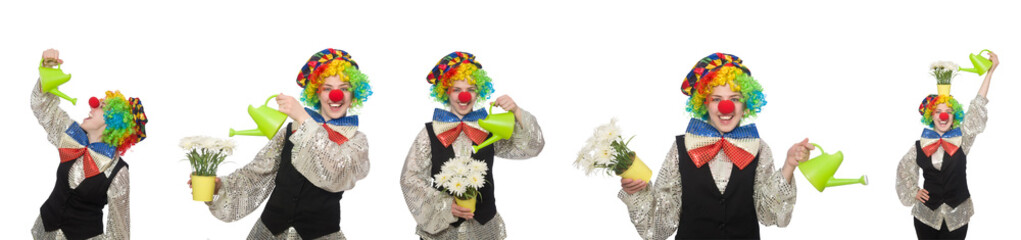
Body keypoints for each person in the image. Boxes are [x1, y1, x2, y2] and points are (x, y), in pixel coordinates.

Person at [619, 53, 812, 239]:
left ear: (746, 105)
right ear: (704, 103)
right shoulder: (681, 148)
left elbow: (769, 215)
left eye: (734, 99)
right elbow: (659, 227)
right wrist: (637, 192)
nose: (725, 107)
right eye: (716, 99)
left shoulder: (758, 148)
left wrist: (789, 165)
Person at [192, 48, 372, 239]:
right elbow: (257, 172)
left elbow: (337, 174)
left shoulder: (356, 141)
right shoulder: (291, 130)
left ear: (353, 97)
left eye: (344, 88)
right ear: (316, 94)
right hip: (269, 231)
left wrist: (304, 119)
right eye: (327, 88)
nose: (335, 95)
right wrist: (219, 188)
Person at [400, 51, 545, 240]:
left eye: (471, 89)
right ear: (445, 92)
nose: (464, 96)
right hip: (442, 233)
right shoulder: (430, 133)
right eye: (457, 90)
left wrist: (516, 111)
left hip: (483, 228)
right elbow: (410, 178)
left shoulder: (488, 127)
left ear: (478, 92)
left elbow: (531, 148)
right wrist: (445, 206)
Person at [31, 49, 147, 240]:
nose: (92, 105)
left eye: (101, 107)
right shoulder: (72, 135)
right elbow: (42, 106)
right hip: (46, 231)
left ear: (113, 123)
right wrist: (49, 69)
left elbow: (118, 230)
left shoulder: (117, 171)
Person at [895, 51, 998, 240]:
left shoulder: (963, 139)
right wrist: (913, 192)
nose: (943, 115)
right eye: (938, 111)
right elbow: (903, 169)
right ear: (931, 116)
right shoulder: (919, 146)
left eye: (949, 111)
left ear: (954, 117)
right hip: (926, 217)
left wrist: (989, 74)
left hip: (957, 216)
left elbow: (977, 105)